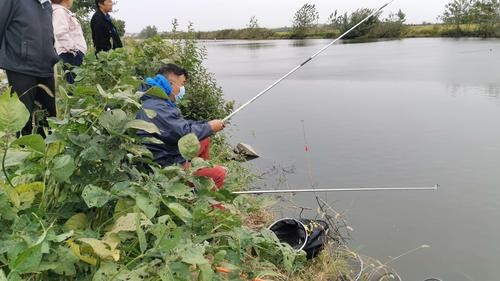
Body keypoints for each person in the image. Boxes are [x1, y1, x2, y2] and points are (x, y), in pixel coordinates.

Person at [136, 64, 227, 190]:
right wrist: (210, 127)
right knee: (219, 174)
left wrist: (206, 125)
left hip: (168, 150)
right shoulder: (157, 106)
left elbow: (180, 125)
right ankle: (206, 196)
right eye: (182, 84)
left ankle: (199, 177)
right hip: (164, 162)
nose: (182, 89)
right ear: (170, 84)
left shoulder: (155, 98)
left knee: (204, 139)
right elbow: (184, 132)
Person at [0, 0, 61, 136]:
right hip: (20, 67)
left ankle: (46, 152)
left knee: (48, 117)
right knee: (23, 118)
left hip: (46, 67)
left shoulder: (46, 5)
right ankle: (26, 152)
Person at [51, 0, 87, 84]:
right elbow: (60, 32)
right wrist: (74, 49)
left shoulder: (63, 11)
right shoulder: (59, 12)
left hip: (72, 53)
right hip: (70, 54)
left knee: (77, 84)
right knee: (75, 85)